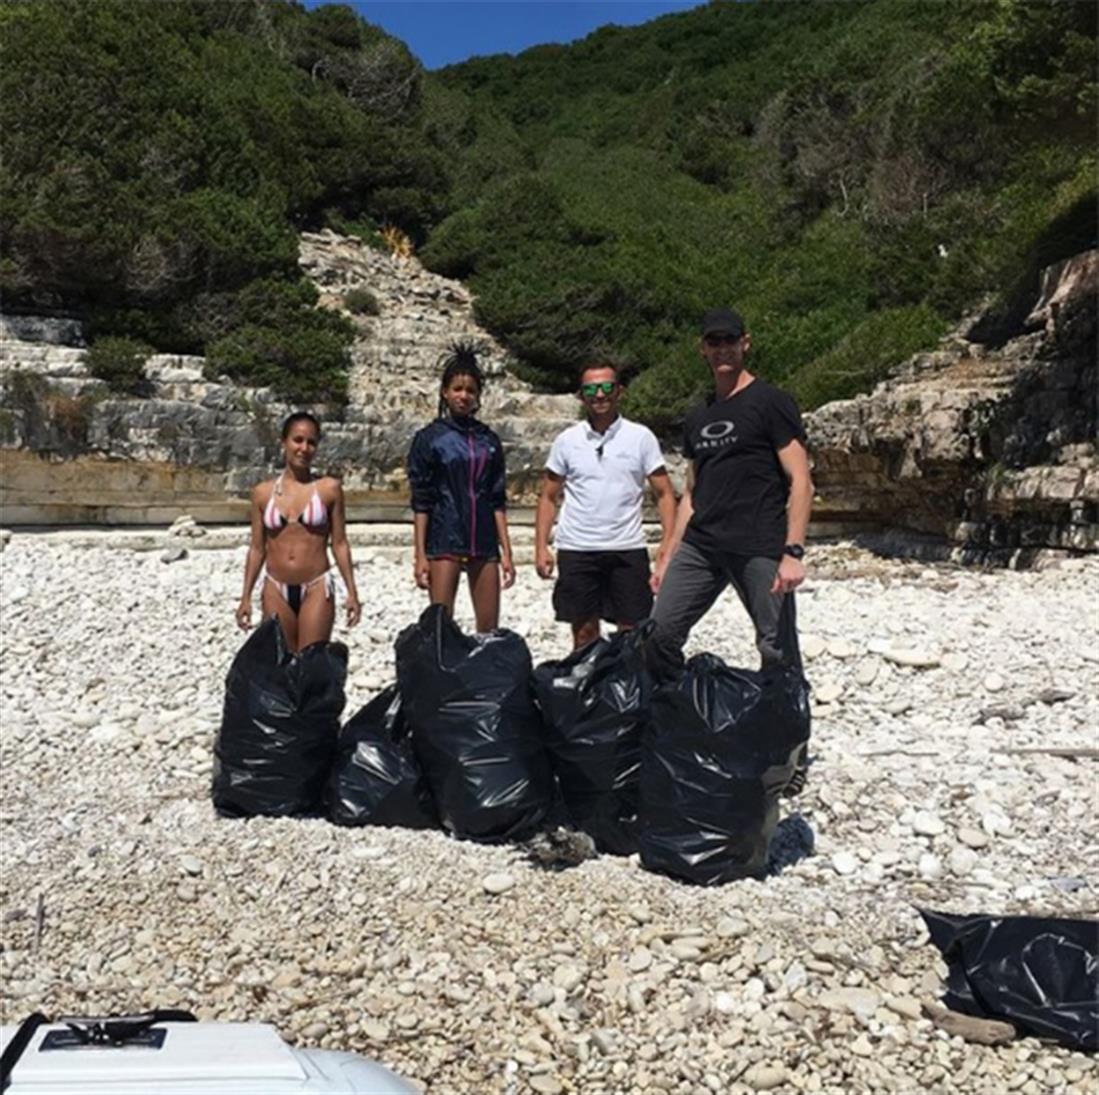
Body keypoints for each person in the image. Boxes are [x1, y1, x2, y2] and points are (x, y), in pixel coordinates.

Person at [651, 307, 813, 672]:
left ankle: (784, 724)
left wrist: (793, 552)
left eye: (729, 341)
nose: (722, 349)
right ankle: (676, 711)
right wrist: (670, 554)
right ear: (702, 349)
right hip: (703, 544)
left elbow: (801, 480)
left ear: (745, 344)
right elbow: (692, 491)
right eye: (714, 342)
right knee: (659, 634)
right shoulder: (698, 416)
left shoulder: (772, 402)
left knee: (776, 647)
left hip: (759, 543)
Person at [535, 362, 677, 650]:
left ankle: (629, 691)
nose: (599, 394)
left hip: (626, 548)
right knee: (584, 633)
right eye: (591, 388)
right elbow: (549, 496)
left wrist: (668, 545)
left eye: (606, 387)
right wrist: (541, 545)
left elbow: (664, 493)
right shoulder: (566, 441)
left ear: (619, 391)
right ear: (581, 395)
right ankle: (588, 690)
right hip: (578, 548)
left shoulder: (641, 437)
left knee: (632, 632)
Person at [407, 342, 515, 632]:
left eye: (470, 390)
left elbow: (497, 498)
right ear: (445, 391)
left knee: (489, 630)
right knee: (441, 625)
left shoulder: (489, 440)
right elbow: (421, 501)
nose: (463, 396)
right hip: (444, 537)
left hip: (483, 537)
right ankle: (439, 676)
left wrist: (507, 552)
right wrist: (420, 555)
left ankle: (485, 676)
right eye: (457, 389)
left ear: (478, 395)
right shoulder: (430, 438)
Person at [236, 412, 362, 652]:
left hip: (316, 586)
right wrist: (245, 597)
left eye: (311, 442)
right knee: (280, 664)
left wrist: (352, 593)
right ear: (284, 442)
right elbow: (257, 548)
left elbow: (340, 544)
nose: (304, 448)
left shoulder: (329, 489)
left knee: (311, 664)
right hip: (275, 587)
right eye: (298, 440)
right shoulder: (262, 493)